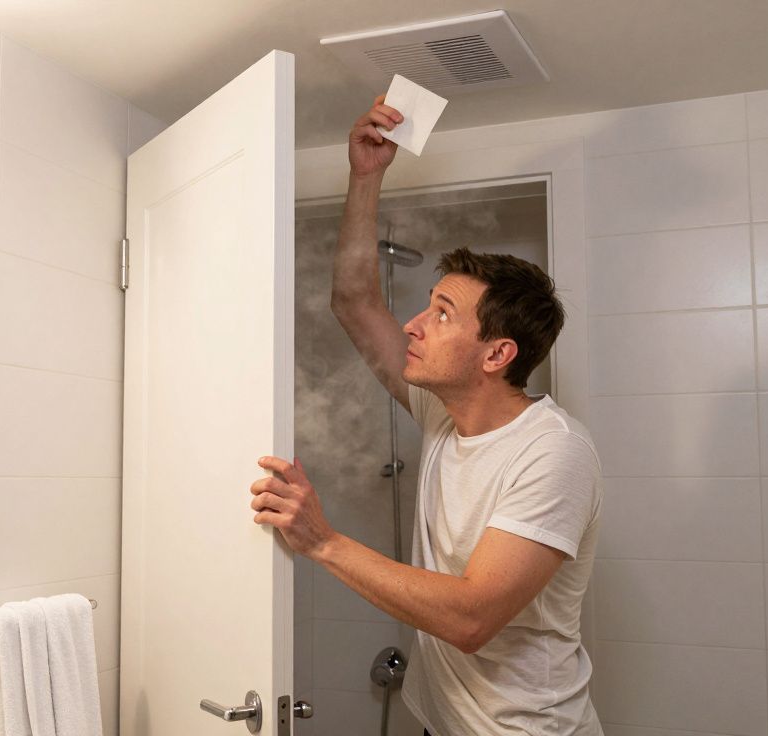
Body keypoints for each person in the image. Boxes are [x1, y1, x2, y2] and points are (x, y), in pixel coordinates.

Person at [250, 96, 603, 735]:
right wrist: (365, 178)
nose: (414, 323)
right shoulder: (444, 414)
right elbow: (355, 300)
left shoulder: (554, 453)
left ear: (497, 353)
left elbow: (472, 618)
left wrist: (322, 540)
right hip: (438, 721)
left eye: (441, 313)